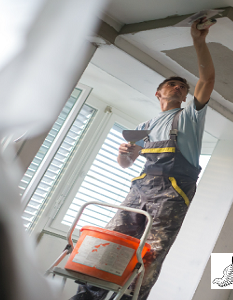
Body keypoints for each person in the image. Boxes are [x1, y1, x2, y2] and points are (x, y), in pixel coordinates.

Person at [70, 19, 215, 300]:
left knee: (150, 253)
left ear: (185, 96)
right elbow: (125, 165)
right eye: (171, 84)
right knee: (110, 241)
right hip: (138, 192)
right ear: (159, 93)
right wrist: (124, 154)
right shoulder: (143, 127)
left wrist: (199, 41)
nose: (178, 87)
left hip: (171, 194)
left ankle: (129, 298)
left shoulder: (189, 118)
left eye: (182, 87)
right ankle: (87, 295)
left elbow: (207, 80)